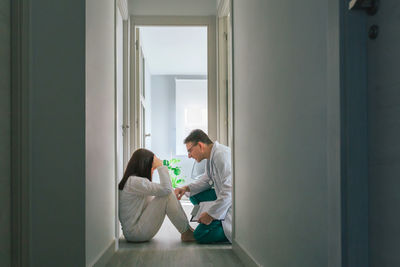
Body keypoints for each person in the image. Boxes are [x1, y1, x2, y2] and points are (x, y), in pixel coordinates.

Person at [118, 148, 195, 242]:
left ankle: (187, 230)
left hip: (133, 231)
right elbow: (166, 189)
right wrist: (160, 165)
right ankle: (186, 232)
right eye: (152, 167)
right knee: (168, 194)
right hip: (134, 233)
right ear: (144, 166)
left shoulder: (133, 182)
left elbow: (163, 189)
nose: (153, 171)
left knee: (166, 193)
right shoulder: (134, 182)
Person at [174, 129, 232, 244]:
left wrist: (211, 214)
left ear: (200, 145)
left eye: (190, 151)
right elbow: (207, 180)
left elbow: (230, 191)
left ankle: (223, 227)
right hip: (222, 197)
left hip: (231, 205)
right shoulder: (211, 156)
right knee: (193, 194)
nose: (189, 156)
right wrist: (186, 188)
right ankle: (207, 217)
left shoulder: (221, 155)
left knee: (199, 235)